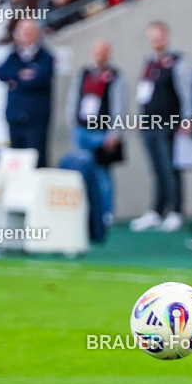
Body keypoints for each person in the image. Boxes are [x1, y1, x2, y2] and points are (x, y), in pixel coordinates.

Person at [129, 21, 188, 233]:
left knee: (170, 168)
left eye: (159, 36)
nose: (155, 40)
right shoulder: (149, 63)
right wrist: (140, 116)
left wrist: (187, 117)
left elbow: (185, 90)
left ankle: (175, 210)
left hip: (169, 123)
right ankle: (157, 210)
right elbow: (143, 93)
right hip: (149, 124)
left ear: (166, 36)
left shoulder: (176, 62)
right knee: (156, 169)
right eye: (152, 37)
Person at [65, 39, 125, 241]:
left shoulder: (114, 76)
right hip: (82, 128)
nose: (100, 55)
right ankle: (83, 210)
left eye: (104, 52)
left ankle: (105, 213)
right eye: (97, 51)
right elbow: (74, 97)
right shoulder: (84, 73)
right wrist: (72, 121)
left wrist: (114, 132)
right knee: (80, 171)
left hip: (101, 131)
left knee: (102, 174)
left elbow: (118, 104)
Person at [0, 19, 55, 166]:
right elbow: (1, 72)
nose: (26, 35)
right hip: (15, 116)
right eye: (23, 32)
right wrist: (22, 74)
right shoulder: (14, 56)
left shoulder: (45, 57)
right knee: (16, 159)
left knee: (36, 159)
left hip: (35, 118)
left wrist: (16, 80)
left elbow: (40, 78)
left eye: (29, 32)